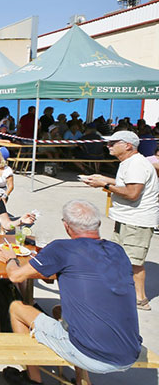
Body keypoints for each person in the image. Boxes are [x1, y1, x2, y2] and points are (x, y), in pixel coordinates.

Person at [0, 200, 142, 385]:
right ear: (99, 224)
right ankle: (82, 379)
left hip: (91, 355)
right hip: (129, 351)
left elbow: (15, 276)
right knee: (58, 311)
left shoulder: (62, 248)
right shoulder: (117, 251)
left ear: (66, 226)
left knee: (17, 307)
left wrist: (10, 258)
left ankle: (33, 379)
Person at [81, 130, 159, 311]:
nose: (108, 146)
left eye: (113, 143)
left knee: (134, 261)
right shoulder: (130, 162)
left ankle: (140, 299)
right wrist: (104, 179)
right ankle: (118, 291)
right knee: (120, 256)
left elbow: (132, 193)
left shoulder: (136, 165)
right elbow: (127, 184)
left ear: (128, 145)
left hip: (137, 220)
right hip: (128, 218)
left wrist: (105, 185)